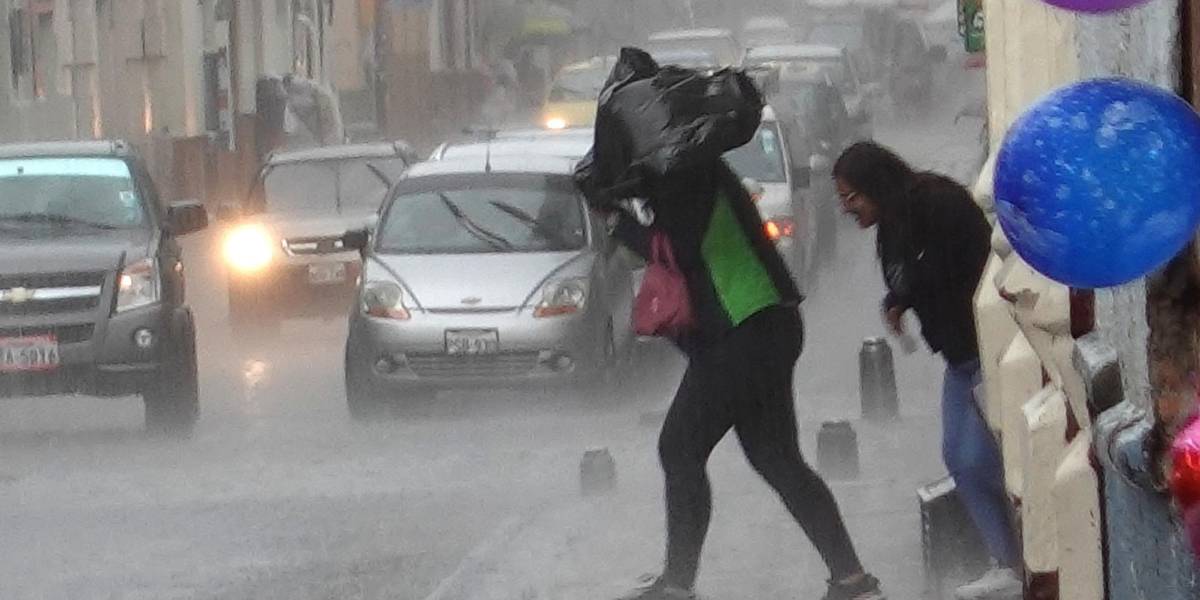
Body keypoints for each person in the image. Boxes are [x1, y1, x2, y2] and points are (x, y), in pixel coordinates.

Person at [605, 160, 887, 600]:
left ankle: (678, 585)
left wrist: (614, 220)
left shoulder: (689, 174)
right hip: (763, 326)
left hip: (742, 330)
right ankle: (851, 578)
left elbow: (678, 253)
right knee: (776, 458)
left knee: (679, 448)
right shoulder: (692, 173)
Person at [832, 141, 1022, 600]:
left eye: (852, 196)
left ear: (876, 185)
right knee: (958, 458)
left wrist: (912, 293)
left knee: (981, 459)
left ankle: (1017, 560)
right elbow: (909, 279)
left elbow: (956, 267)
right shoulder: (892, 229)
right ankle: (1006, 561)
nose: (847, 208)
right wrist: (898, 302)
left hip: (985, 351)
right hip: (958, 360)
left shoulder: (935, 205)